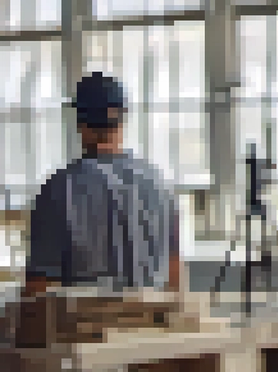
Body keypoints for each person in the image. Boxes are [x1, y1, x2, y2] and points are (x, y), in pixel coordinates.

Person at [25, 72, 182, 298]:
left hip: (83, 329)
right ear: (122, 120)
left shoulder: (59, 189)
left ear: (80, 123)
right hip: (149, 327)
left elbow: (39, 291)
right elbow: (175, 278)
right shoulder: (159, 185)